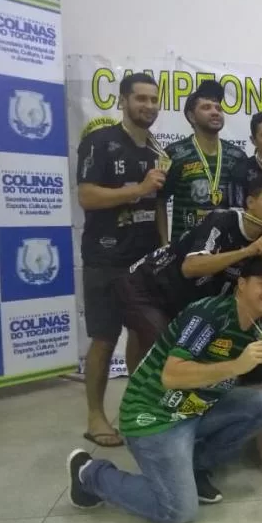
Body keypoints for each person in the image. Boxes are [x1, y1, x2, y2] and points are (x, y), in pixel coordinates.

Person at [66, 256, 262, 523]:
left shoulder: (260, 328)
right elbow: (171, 375)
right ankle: (90, 474)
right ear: (241, 284)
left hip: (196, 409)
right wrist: (236, 366)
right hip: (155, 415)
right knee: (178, 511)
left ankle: (194, 468)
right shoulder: (209, 314)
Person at [75, 72, 169, 447]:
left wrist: (164, 246)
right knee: (104, 337)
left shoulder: (157, 150)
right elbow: (86, 196)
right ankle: (95, 416)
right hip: (105, 258)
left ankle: (136, 406)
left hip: (144, 260)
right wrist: (138, 189)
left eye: (153, 99)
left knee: (143, 334)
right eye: (140, 98)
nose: (148, 105)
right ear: (123, 101)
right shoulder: (100, 141)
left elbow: (158, 204)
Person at [118, 175, 262, 357]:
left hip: (182, 298)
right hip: (145, 286)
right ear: (250, 202)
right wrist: (247, 251)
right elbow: (190, 267)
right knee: (164, 351)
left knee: (171, 350)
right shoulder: (222, 219)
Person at [159, 81, 248, 242]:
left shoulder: (237, 156)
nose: (215, 112)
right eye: (206, 107)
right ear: (191, 116)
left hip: (226, 248)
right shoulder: (174, 153)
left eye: (218, 108)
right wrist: (164, 244)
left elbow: (244, 205)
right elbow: (160, 201)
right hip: (184, 247)